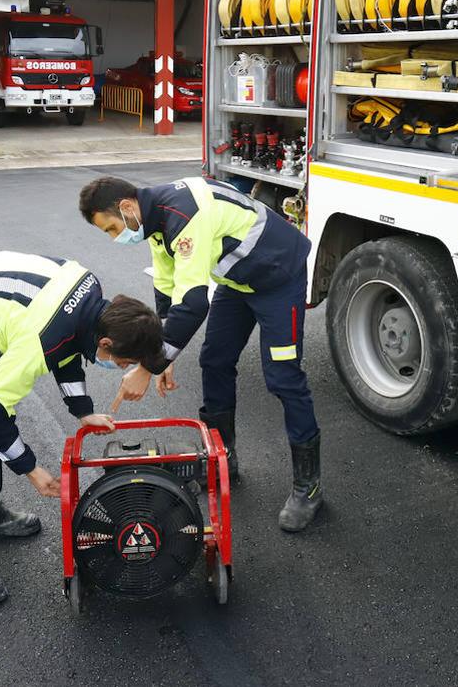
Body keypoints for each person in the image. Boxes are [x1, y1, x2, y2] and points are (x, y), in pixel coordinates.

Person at [0, 251, 164, 604]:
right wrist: (31, 468)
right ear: (106, 343)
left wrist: (83, 411)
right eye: (124, 362)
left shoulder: (91, 301)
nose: (121, 367)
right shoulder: (41, 337)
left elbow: (68, 349)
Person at [78, 176, 323, 532]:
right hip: (236, 280)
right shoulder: (155, 224)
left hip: (277, 276)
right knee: (215, 360)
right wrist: (160, 354)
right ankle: (224, 461)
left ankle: (309, 486)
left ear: (127, 207)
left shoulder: (182, 214)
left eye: (112, 228)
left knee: (283, 377)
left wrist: (150, 365)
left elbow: (193, 305)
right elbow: (167, 290)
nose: (116, 237)